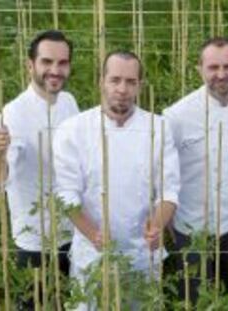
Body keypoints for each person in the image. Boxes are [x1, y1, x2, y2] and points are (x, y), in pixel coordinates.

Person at [53, 51, 180, 309]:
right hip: (92, 255)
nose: (122, 89)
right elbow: (66, 194)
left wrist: (156, 225)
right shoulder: (73, 129)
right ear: (102, 81)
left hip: (141, 255)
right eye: (115, 80)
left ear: (139, 86)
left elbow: (169, 190)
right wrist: (94, 235)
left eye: (130, 82)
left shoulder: (158, 127)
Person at [0, 30, 79, 309]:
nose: (55, 70)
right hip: (36, 242)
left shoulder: (69, 102)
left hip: (72, 233)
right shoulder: (15, 113)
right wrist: (0, 154)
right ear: (30, 65)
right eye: (47, 62)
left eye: (62, 63)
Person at [163, 37, 228, 301]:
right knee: (197, 299)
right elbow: (163, 169)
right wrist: (166, 219)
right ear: (199, 69)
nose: (221, 75)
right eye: (213, 68)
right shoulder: (177, 115)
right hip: (190, 226)